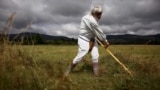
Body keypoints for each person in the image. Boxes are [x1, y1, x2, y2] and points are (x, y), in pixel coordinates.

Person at [65, 5, 109, 76]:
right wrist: (105, 41)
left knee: (95, 56)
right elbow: (98, 31)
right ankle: (67, 72)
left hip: (92, 39)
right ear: (93, 13)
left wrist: (104, 40)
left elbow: (96, 32)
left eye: (100, 14)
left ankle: (96, 74)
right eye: (98, 14)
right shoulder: (88, 19)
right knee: (80, 57)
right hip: (84, 39)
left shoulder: (95, 19)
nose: (100, 15)